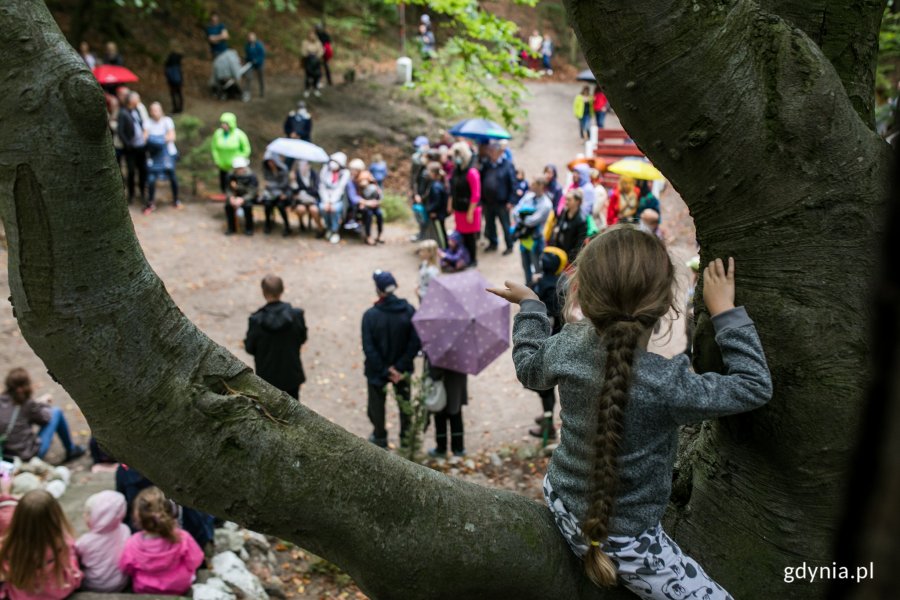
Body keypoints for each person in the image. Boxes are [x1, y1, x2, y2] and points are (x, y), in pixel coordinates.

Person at [490, 229, 771, 599]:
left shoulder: (568, 345)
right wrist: (726, 313)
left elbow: (529, 367)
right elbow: (753, 386)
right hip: (627, 542)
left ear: (579, 294)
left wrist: (531, 307)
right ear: (669, 305)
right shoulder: (668, 385)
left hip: (559, 499)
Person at [362, 271, 420, 448]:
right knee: (405, 405)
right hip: (402, 371)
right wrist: (400, 367)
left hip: (376, 371)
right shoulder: (409, 311)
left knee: (376, 405)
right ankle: (406, 438)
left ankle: (380, 437)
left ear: (378, 290)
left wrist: (385, 370)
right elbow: (415, 342)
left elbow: (368, 347)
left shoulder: (370, 316)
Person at [118, 487, 205, 595]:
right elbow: (196, 560)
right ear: (171, 513)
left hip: (144, 587)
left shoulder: (132, 543)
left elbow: (126, 567)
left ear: (138, 518)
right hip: (178, 586)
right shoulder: (182, 537)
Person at [0, 490, 83, 599]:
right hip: (58, 591)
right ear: (55, 516)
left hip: (21, 595)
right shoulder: (62, 542)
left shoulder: (9, 544)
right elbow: (69, 562)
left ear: (18, 517)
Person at [526, 247, 568, 440]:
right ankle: (547, 417)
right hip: (558, 335)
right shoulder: (563, 282)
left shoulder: (542, 284)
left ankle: (548, 426)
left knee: (545, 387)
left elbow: (527, 302)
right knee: (547, 387)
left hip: (545, 340)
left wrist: (533, 282)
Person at [0, 368, 85, 463]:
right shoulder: (27, 404)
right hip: (26, 457)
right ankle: (71, 450)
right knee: (56, 412)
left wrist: (37, 403)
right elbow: (46, 418)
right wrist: (43, 404)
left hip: (5, 455)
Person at [244, 275, 308, 400]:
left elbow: (249, 348)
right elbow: (302, 338)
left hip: (267, 378)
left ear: (263, 292)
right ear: (282, 290)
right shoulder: (296, 315)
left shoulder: (256, 320)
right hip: (291, 375)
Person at [75, 491, 130, 592]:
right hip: (121, 582)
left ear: (99, 517)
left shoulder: (85, 541)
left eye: (88, 513)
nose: (84, 515)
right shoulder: (125, 529)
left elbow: (76, 557)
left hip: (96, 586)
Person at [512, 178, 554, 285]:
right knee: (525, 264)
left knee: (538, 266)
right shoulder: (528, 196)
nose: (531, 185)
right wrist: (522, 217)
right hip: (524, 238)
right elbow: (515, 211)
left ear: (541, 186)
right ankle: (529, 286)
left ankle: (539, 289)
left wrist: (521, 217)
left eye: (534, 184)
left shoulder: (546, 204)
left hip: (536, 240)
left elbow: (533, 221)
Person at [479, 141, 517, 255]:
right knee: (490, 224)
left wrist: (511, 201)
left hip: (502, 202)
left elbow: (513, 184)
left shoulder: (507, 165)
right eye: (489, 151)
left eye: (493, 151)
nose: (490, 153)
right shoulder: (486, 164)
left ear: (500, 152)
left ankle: (509, 245)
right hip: (488, 201)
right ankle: (493, 243)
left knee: (505, 225)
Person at [144, 101, 180, 213]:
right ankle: (151, 202)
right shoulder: (147, 122)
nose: (155, 112)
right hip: (154, 156)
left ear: (161, 110)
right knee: (151, 179)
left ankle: (176, 200)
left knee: (172, 177)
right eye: (153, 110)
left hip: (168, 154)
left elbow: (172, 136)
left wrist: (155, 139)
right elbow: (145, 137)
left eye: (157, 110)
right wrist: (161, 139)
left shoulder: (167, 121)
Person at [448, 142, 481, 265]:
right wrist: (450, 204)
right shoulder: (456, 171)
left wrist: (470, 212)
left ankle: (473, 259)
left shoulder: (472, 172)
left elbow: (475, 194)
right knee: (461, 235)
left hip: (470, 210)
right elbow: (453, 189)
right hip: (459, 209)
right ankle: (464, 256)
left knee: (470, 237)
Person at [426, 364, 467, 458]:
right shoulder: (463, 351)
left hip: (442, 384)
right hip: (457, 383)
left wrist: (432, 376)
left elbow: (434, 371)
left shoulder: (438, 351)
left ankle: (441, 448)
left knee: (441, 416)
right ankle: (458, 448)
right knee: (456, 414)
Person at [117, 91, 148, 206]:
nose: (139, 100)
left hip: (141, 147)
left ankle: (143, 193)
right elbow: (121, 132)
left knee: (143, 170)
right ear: (131, 100)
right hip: (131, 149)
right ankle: (131, 195)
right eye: (137, 98)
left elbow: (141, 125)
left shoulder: (137, 111)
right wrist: (128, 145)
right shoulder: (123, 113)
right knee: (131, 172)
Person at [211, 112, 251, 193]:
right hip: (222, 165)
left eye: (226, 123)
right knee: (224, 183)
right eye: (222, 123)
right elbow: (214, 147)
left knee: (235, 185)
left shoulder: (239, 134)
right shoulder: (218, 134)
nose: (223, 125)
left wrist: (238, 159)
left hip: (235, 167)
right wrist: (217, 159)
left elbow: (247, 149)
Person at [549, 189, 589, 263]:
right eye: (566, 199)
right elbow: (557, 227)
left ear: (577, 202)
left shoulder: (581, 220)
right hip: (559, 251)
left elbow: (580, 243)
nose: (566, 202)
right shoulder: (564, 212)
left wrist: (571, 259)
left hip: (569, 256)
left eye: (569, 200)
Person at [319, 152, 350, 244]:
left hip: (338, 200)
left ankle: (335, 231)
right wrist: (326, 201)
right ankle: (328, 228)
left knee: (335, 209)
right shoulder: (325, 170)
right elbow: (322, 187)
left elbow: (340, 189)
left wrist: (331, 202)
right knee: (322, 208)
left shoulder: (345, 173)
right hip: (325, 199)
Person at [224, 157, 258, 236]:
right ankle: (231, 228)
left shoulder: (251, 176)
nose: (239, 170)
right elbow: (228, 189)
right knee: (228, 206)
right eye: (237, 168)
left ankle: (249, 228)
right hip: (235, 196)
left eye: (241, 168)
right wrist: (231, 197)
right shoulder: (230, 175)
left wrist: (242, 198)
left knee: (248, 206)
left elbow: (252, 191)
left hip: (247, 197)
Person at [260, 153, 292, 236]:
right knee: (267, 205)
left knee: (281, 206)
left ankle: (287, 225)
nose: (270, 163)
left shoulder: (283, 169)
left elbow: (284, 184)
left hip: (283, 194)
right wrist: (273, 186)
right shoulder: (267, 170)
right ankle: (268, 224)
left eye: (272, 161)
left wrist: (271, 184)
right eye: (268, 162)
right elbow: (266, 184)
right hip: (271, 195)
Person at [290, 159, 323, 233]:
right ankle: (301, 222)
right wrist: (293, 181)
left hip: (312, 200)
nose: (302, 167)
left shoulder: (314, 174)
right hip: (301, 201)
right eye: (300, 165)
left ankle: (320, 229)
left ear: (309, 166)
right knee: (300, 209)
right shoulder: (297, 175)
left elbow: (316, 190)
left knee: (314, 210)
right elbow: (295, 191)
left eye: (304, 165)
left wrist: (303, 192)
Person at [423, 161, 448, 248]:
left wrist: (430, 210)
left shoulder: (436, 186)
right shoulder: (436, 184)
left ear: (433, 173)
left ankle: (445, 249)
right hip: (438, 214)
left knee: (440, 233)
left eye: (429, 171)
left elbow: (437, 202)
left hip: (438, 214)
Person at [358, 170, 384, 245]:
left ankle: (380, 234)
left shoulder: (375, 187)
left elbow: (380, 198)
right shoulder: (360, 189)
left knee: (379, 214)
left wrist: (377, 202)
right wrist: (365, 203)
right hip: (366, 209)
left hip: (375, 207)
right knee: (368, 216)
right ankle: (368, 236)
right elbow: (359, 200)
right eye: (361, 180)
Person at [301, 30, 324, 98]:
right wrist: (308, 55)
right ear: (308, 35)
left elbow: (321, 51)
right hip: (308, 61)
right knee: (308, 76)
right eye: (310, 34)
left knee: (316, 76)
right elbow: (303, 52)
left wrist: (317, 57)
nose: (312, 36)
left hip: (316, 61)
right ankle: (307, 90)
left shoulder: (318, 42)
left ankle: (316, 89)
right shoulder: (305, 42)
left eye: (313, 35)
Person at [243, 32, 266, 98]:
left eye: (252, 38)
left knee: (261, 78)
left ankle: (262, 92)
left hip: (259, 64)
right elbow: (247, 56)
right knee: (248, 77)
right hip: (251, 64)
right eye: (249, 38)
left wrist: (257, 60)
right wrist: (245, 59)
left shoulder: (259, 45)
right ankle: (247, 93)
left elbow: (262, 55)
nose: (250, 39)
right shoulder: (247, 46)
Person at [315, 22, 334, 86]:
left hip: (325, 52)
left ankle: (329, 81)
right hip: (318, 52)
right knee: (318, 67)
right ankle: (318, 81)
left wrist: (328, 52)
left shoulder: (325, 35)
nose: (319, 29)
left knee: (325, 66)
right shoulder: (316, 35)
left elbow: (329, 44)